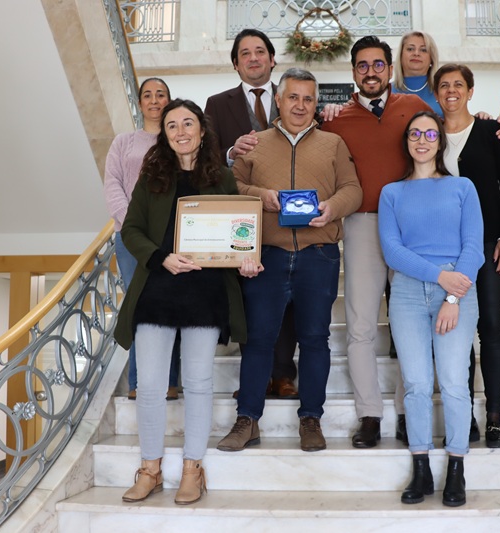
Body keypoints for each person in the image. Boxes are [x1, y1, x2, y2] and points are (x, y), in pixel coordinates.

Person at [321, 36, 500, 449]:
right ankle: (370, 414)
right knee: (361, 325)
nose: (370, 72)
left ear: (389, 69)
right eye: (362, 65)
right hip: (364, 222)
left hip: (415, 227)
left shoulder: (413, 106)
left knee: (410, 326)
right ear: (353, 72)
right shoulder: (336, 117)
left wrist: (489, 120)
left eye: (378, 64)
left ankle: (410, 411)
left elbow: (452, 124)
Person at [114, 99, 257, 506]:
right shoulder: (151, 177)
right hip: (157, 290)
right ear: (164, 135)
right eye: (172, 125)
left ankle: (193, 469)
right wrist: (161, 257)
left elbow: (239, 233)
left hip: (205, 293)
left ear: (202, 130)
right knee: (150, 386)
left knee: (197, 383)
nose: (180, 131)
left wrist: (245, 260)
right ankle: (150, 469)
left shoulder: (222, 177)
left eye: (187, 123)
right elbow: (131, 230)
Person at [216, 68, 362, 453]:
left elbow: (353, 189)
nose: (300, 105)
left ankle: (311, 418)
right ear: (278, 100)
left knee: (315, 339)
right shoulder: (254, 143)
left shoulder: (333, 143)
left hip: (319, 256)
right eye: (293, 97)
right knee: (258, 340)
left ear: (316, 103)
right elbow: (231, 186)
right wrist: (259, 195)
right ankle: (247, 420)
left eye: (308, 98)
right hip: (267, 256)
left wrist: (332, 208)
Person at [379, 109, 484, 507]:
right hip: (408, 292)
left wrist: (452, 296)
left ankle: (456, 468)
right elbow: (393, 251)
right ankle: (420, 467)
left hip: (457, 291)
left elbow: (473, 246)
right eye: (414, 134)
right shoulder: (392, 193)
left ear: (440, 141)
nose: (422, 140)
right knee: (417, 383)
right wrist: (439, 277)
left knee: (454, 382)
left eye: (429, 134)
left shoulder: (462, 187)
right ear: (406, 141)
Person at [205, 28, 298, 399]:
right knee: (247, 296)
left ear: (273, 59)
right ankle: (256, 377)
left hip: (284, 213)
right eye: (245, 53)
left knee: (287, 296)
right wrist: (231, 153)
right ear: (235, 63)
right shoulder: (216, 104)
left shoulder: (292, 97)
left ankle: (283, 375)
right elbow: (206, 158)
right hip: (239, 213)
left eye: (260, 51)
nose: (254, 58)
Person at [435, 63, 500, 449]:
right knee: (457, 333)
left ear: (470, 91)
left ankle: (495, 420)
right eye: (444, 85)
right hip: (444, 249)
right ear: (436, 94)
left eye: (458, 84)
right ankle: (464, 416)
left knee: (491, 327)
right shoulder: (429, 134)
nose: (451, 91)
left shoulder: (492, 132)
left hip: (488, 245)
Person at [104, 77, 182, 402]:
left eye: (160, 94)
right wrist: (132, 225)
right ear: (139, 103)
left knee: (170, 305)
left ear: (169, 101)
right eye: (147, 95)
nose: (154, 100)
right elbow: (113, 183)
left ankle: (170, 381)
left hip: (170, 237)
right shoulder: (123, 142)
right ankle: (138, 381)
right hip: (130, 238)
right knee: (139, 305)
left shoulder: (178, 140)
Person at [392, 31, 442, 116]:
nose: (416, 53)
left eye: (423, 50)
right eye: (410, 49)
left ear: (432, 58)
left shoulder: (442, 91)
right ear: (401, 55)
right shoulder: (385, 92)